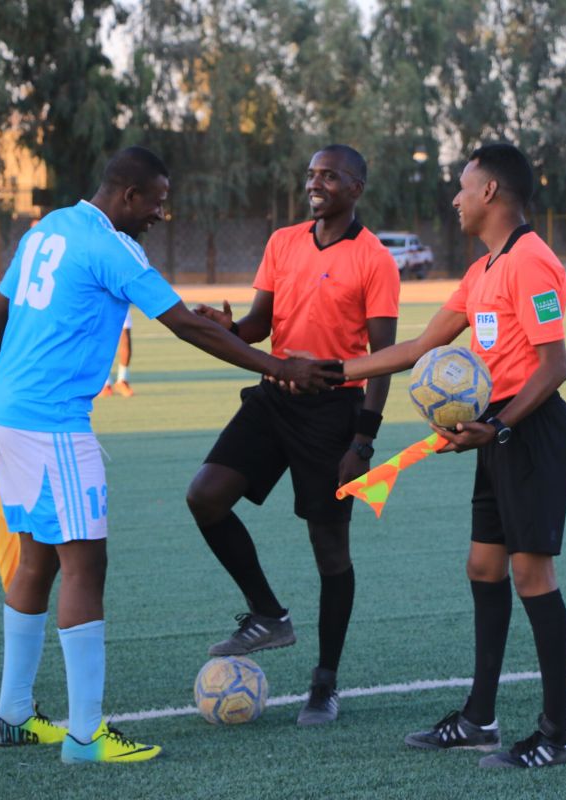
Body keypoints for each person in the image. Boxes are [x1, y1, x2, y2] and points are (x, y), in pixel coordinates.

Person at [0, 145, 342, 764]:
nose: (159, 215)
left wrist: (5, 389)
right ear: (127, 196)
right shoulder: (112, 246)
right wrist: (280, 368)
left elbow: (1, 309)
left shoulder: (48, 229)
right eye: (156, 202)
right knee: (85, 566)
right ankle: (87, 735)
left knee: (36, 559)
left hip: (3, 415)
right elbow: (188, 326)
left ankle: (12, 715)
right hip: (52, 426)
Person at [341, 143, 566, 769]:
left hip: (528, 432)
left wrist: (497, 427)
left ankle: (558, 735)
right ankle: (480, 718)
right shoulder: (483, 271)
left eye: (464, 187)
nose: (456, 198)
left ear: (491, 193)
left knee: (532, 576)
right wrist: (330, 371)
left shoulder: (532, 262)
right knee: (483, 567)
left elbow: (555, 367)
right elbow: (420, 346)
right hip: (496, 431)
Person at [186, 144, 399, 726]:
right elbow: (259, 326)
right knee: (205, 495)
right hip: (276, 394)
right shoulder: (282, 242)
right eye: (311, 174)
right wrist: (229, 327)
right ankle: (267, 613)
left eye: (329, 175)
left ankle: (324, 683)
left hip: (334, 411)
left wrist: (364, 441)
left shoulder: (375, 259)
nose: (316, 183)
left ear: (355, 187)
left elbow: (382, 360)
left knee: (330, 552)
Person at [97, 310, 134, 397]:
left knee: (125, 337)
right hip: (100, 303)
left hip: (121, 302)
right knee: (101, 339)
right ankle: (105, 383)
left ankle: (122, 380)